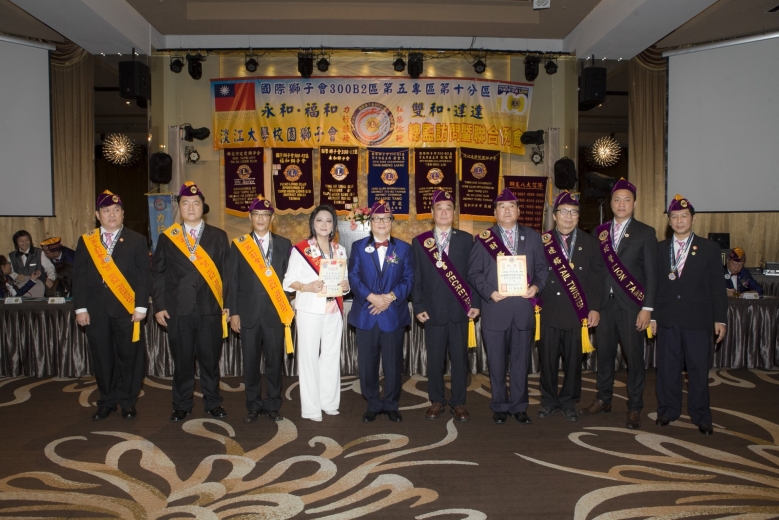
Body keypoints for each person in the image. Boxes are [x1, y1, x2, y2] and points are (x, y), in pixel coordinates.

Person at [580, 178, 657, 430]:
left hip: (632, 306)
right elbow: (594, 272)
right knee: (604, 356)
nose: (621, 204)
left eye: (627, 200)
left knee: (634, 359)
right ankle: (603, 399)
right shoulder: (599, 232)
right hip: (605, 306)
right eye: (617, 199)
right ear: (610, 203)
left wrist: (647, 308)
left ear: (634, 203)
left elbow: (652, 274)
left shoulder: (645, 232)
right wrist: (592, 305)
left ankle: (635, 406)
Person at [467, 188, 548, 425]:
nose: (507, 210)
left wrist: (536, 287)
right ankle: (500, 405)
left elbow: (542, 269)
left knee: (521, 362)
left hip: (523, 309)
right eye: (502, 207)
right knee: (496, 362)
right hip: (495, 309)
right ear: (495, 213)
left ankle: (519, 406)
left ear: (519, 211)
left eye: (511, 206)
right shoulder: (484, 239)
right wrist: (489, 292)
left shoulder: (533, 237)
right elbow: (473, 272)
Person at [152, 181, 230, 422]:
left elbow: (227, 273)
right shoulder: (168, 237)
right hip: (178, 310)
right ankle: (181, 404)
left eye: (196, 203)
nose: (191, 207)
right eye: (185, 203)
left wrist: (227, 304)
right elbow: (158, 273)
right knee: (182, 361)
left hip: (210, 308)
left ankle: (213, 402)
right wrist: (159, 306)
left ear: (203, 207)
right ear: (180, 208)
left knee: (210, 360)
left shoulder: (218, 236)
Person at [650, 195, 727, 435]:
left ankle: (701, 415)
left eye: (684, 216)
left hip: (698, 321)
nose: (679, 220)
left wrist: (720, 318)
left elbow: (718, 287)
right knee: (667, 370)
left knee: (698, 370)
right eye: (674, 217)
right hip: (667, 319)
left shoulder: (709, 248)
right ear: (669, 221)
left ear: (693, 219)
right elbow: (653, 285)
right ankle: (667, 411)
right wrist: (653, 316)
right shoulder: (659, 249)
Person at [72, 190, 150, 420]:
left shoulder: (137, 239)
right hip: (96, 310)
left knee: (129, 356)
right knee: (102, 357)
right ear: (98, 215)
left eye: (116, 210)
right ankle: (106, 401)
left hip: (127, 309)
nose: (112, 214)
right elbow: (79, 276)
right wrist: (80, 308)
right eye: (106, 211)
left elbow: (144, 276)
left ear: (123, 214)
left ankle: (128, 401)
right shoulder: (87, 240)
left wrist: (141, 307)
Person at [412, 189, 480, 422]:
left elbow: (473, 275)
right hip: (432, 311)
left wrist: (475, 302)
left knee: (460, 360)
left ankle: (458, 402)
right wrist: (418, 305)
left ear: (454, 213)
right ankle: (437, 400)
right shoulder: (420, 242)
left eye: (448, 208)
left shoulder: (466, 239)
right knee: (435, 360)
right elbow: (416, 277)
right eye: (439, 208)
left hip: (460, 309)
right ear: (432, 212)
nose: (443, 212)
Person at [537, 191, 604, 422]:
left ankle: (568, 401)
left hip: (578, 312)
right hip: (548, 309)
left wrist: (594, 307)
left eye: (573, 212)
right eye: (563, 212)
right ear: (555, 216)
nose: (568, 216)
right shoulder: (542, 241)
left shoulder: (590, 243)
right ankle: (548, 400)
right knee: (547, 360)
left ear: (578, 216)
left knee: (574, 361)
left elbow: (596, 278)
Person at [226, 195, 293, 423]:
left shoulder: (284, 244)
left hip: (275, 313)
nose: (261, 219)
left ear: (272, 218)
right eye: (257, 215)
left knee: (275, 362)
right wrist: (234, 312)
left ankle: (273, 403)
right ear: (250, 217)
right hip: (248, 313)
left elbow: (290, 278)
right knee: (251, 362)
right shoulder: (239, 244)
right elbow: (233, 280)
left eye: (265, 215)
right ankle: (253, 404)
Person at [348, 200, 414, 423]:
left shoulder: (404, 248)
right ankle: (373, 403)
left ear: (392, 222)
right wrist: (372, 297)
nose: (382, 222)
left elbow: (409, 279)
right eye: (377, 219)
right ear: (370, 222)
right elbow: (353, 277)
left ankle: (392, 404)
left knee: (393, 363)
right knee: (367, 363)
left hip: (392, 313)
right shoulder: (358, 247)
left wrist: (389, 297)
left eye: (386, 218)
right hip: (366, 313)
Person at [283, 204, 350, 422]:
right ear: (313, 223)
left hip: (334, 310)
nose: (324, 224)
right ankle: (311, 409)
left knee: (331, 356)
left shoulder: (340, 250)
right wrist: (307, 287)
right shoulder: (300, 249)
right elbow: (288, 281)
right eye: (319, 220)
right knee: (309, 358)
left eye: (328, 220)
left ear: (334, 225)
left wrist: (346, 285)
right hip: (309, 309)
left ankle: (328, 403)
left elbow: (345, 280)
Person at [8, 230, 55, 297]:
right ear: (16, 242)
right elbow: (8, 272)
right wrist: (16, 276)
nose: (25, 243)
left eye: (27, 240)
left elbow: (50, 267)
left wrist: (50, 278)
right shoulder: (11, 256)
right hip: (20, 290)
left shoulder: (39, 252)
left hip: (39, 289)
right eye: (21, 241)